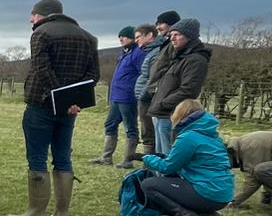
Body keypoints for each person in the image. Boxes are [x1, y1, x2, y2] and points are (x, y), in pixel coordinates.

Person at [7, 0, 98, 216]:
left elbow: (42, 70)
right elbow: (93, 74)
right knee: (63, 157)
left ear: (44, 14)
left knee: (37, 157)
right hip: (70, 110)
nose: (31, 19)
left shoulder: (41, 34)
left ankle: (36, 212)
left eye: (34, 15)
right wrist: (73, 100)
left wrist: (60, 96)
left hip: (41, 104)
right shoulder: (88, 38)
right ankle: (61, 213)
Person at [140, 99, 235, 216]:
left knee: (149, 185)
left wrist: (146, 157)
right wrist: (166, 158)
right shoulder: (213, 136)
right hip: (223, 195)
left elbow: (167, 167)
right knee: (173, 181)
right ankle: (209, 215)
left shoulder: (188, 137)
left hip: (207, 191)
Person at [147, 18, 213, 155]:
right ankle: (159, 176)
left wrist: (164, 103)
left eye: (177, 34)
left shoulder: (196, 60)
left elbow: (189, 90)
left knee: (169, 154)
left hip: (172, 115)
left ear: (189, 36)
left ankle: (169, 177)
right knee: (160, 155)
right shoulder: (178, 57)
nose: (172, 38)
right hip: (161, 113)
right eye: (171, 35)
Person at [91, 25, 149, 167]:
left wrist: (136, 91)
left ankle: (128, 160)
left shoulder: (138, 54)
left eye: (124, 36)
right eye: (119, 37)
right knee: (110, 124)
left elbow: (144, 74)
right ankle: (106, 157)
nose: (121, 39)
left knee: (130, 128)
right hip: (117, 96)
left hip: (128, 97)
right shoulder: (124, 53)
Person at [132, 11, 178, 160]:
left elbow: (155, 75)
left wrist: (145, 93)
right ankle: (154, 166)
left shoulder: (165, 47)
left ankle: (160, 169)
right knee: (153, 134)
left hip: (156, 97)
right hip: (151, 96)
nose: (158, 27)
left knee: (160, 137)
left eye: (161, 23)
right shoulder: (159, 48)